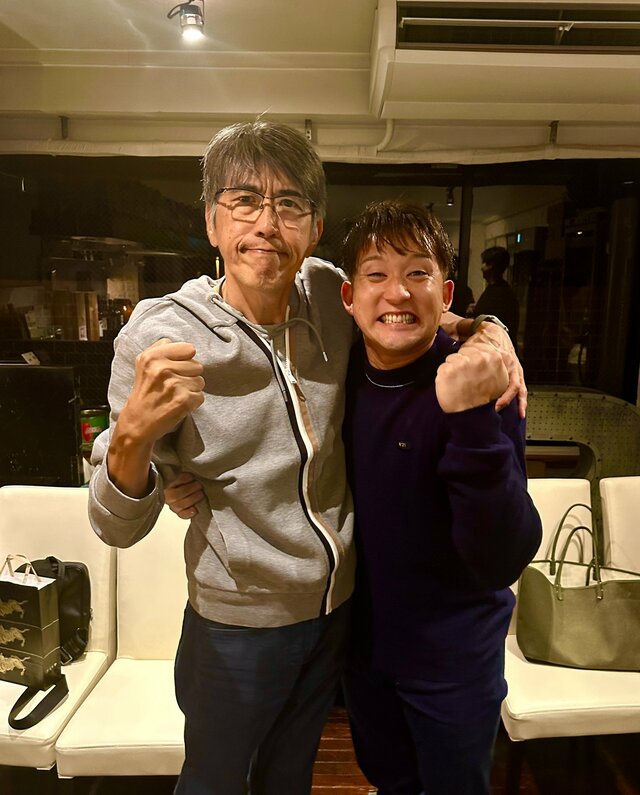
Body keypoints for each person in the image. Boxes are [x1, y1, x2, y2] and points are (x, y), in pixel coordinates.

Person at [89, 120, 525, 795]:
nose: (266, 223)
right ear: (211, 221)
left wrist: (488, 330)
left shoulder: (328, 294)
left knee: (289, 778)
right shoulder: (160, 332)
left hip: (337, 615)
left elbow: (404, 298)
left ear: (314, 228)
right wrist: (134, 438)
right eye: (243, 200)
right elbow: (114, 525)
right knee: (214, 783)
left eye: (288, 204)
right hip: (238, 622)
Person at [339, 201, 541, 795]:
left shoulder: (482, 381)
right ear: (349, 295)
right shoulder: (336, 375)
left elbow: (503, 556)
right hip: (363, 651)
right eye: (376, 274)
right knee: (388, 780)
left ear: (445, 292)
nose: (397, 293)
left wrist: (471, 414)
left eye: (417, 273)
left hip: (455, 660)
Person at [472, 245, 520, 350]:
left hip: (494, 349)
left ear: (492, 266)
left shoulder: (500, 294)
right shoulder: (500, 290)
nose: (481, 267)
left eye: (485, 263)